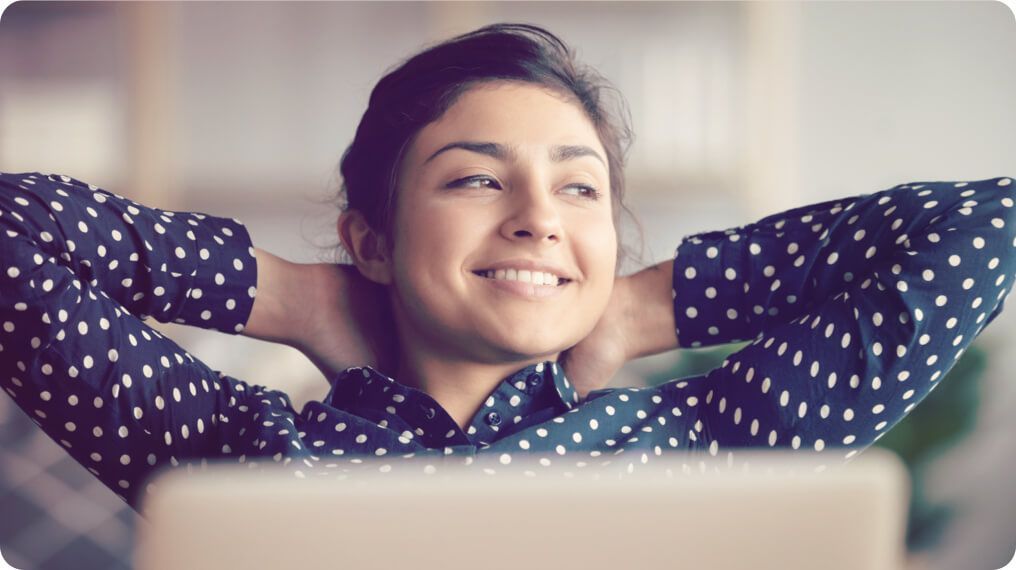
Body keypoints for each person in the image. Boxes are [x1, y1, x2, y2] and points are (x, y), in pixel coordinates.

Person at [0, 23, 1013, 512]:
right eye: (476, 182)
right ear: (372, 240)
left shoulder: (704, 440)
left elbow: (978, 230)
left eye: (579, 191)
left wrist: (636, 312)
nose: (538, 219)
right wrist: (300, 298)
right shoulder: (229, 451)